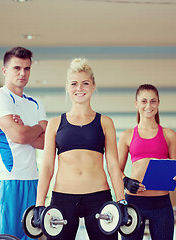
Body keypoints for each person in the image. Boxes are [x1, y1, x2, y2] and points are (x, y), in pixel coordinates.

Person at [34, 58, 127, 240]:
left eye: (85, 83)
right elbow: (47, 167)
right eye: (74, 84)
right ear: (68, 88)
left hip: (99, 198)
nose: (80, 88)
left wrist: (121, 200)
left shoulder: (105, 122)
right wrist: (39, 204)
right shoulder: (55, 123)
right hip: (63, 198)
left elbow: (113, 166)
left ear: (93, 86)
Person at [0, 46, 48, 240]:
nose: (22, 73)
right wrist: (38, 126)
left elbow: (46, 142)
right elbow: (19, 136)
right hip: (6, 182)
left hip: (33, 182)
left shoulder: (35, 103)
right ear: (5, 70)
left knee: (33, 236)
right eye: (17, 68)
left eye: (27, 68)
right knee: (4, 237)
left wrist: (27, 129)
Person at [118, 83, 176, 240]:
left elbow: (173, 169)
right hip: (134, 203)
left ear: (158, 103)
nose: (148, 105)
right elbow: (116, 170)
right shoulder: (127, 135)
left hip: (161, 205)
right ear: (136, 104)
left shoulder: (169, 134)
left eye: (153, 101)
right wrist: (126, 181)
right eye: (144, 101)